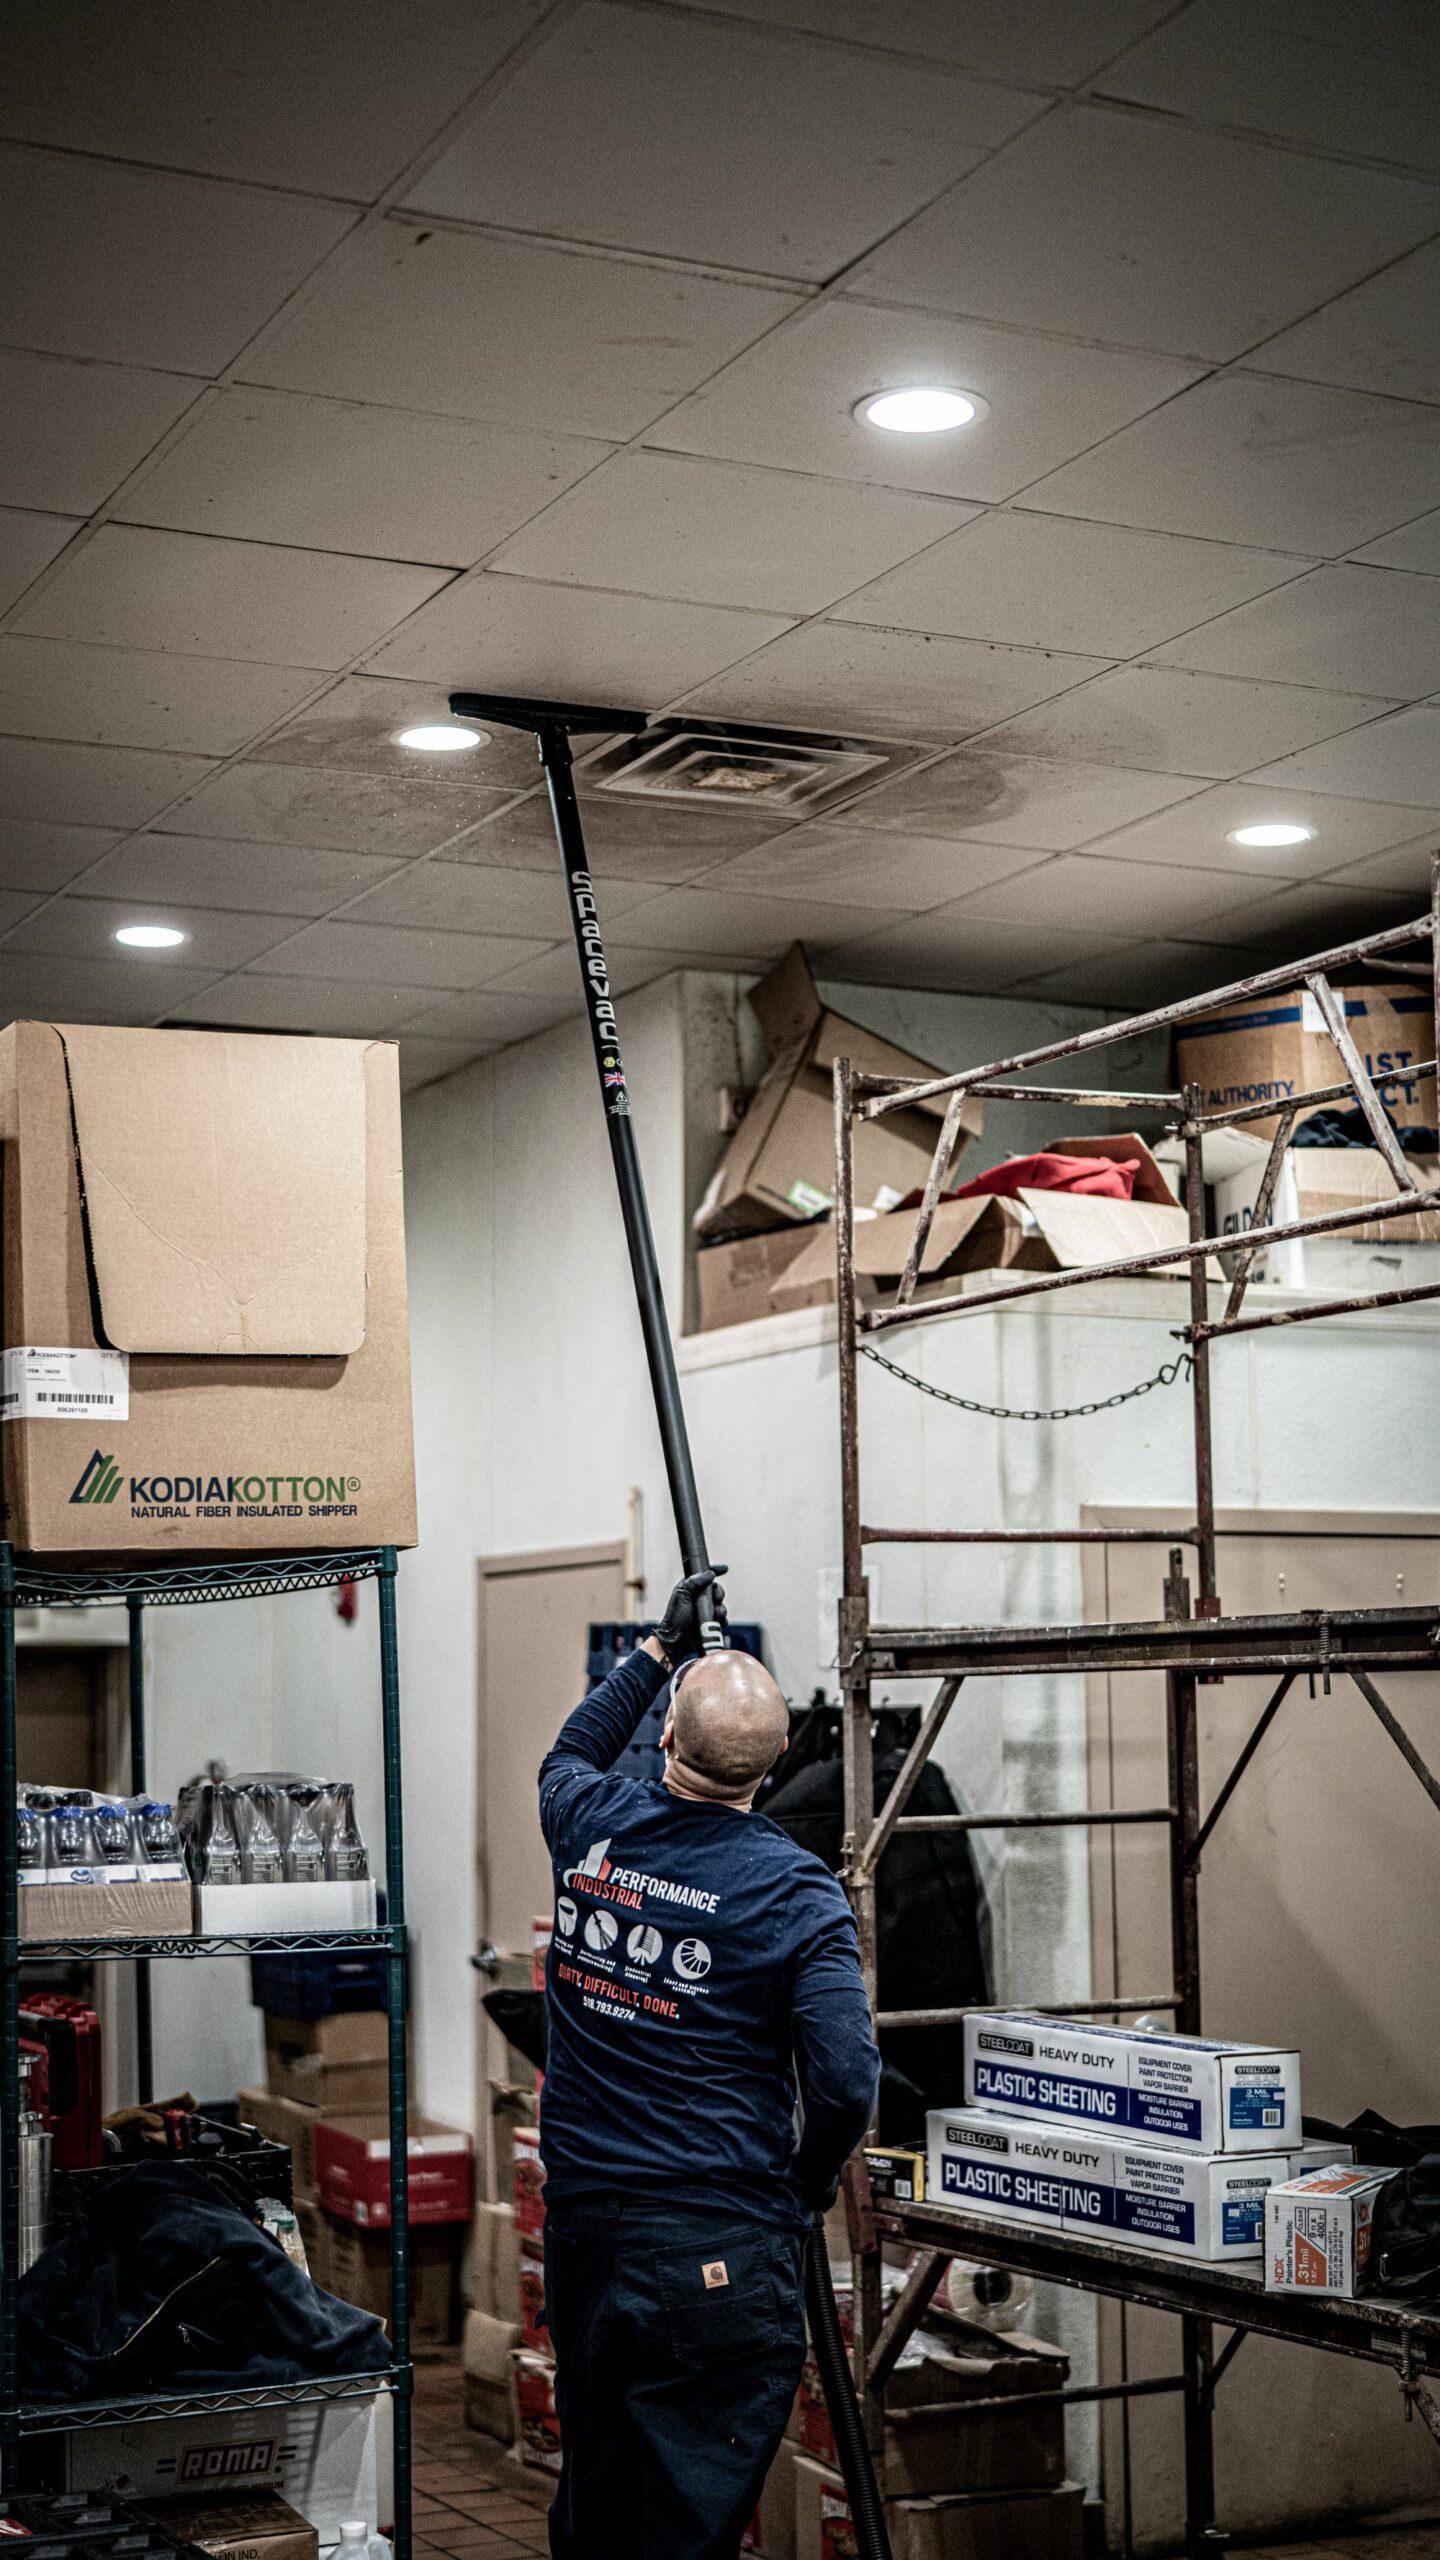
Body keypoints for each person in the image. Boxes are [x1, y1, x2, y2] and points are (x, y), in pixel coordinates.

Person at [536, 1568, 880, 2560]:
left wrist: (653, 1650)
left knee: (597, 2507)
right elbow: (848, 2079)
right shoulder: (794, 1891)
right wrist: (805, 2183)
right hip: (718, 2251)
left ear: (669, 1743)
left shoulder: (590, 1824)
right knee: (686, 2530)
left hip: (590, 2237)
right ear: (773, 1763)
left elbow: (572, 1747)